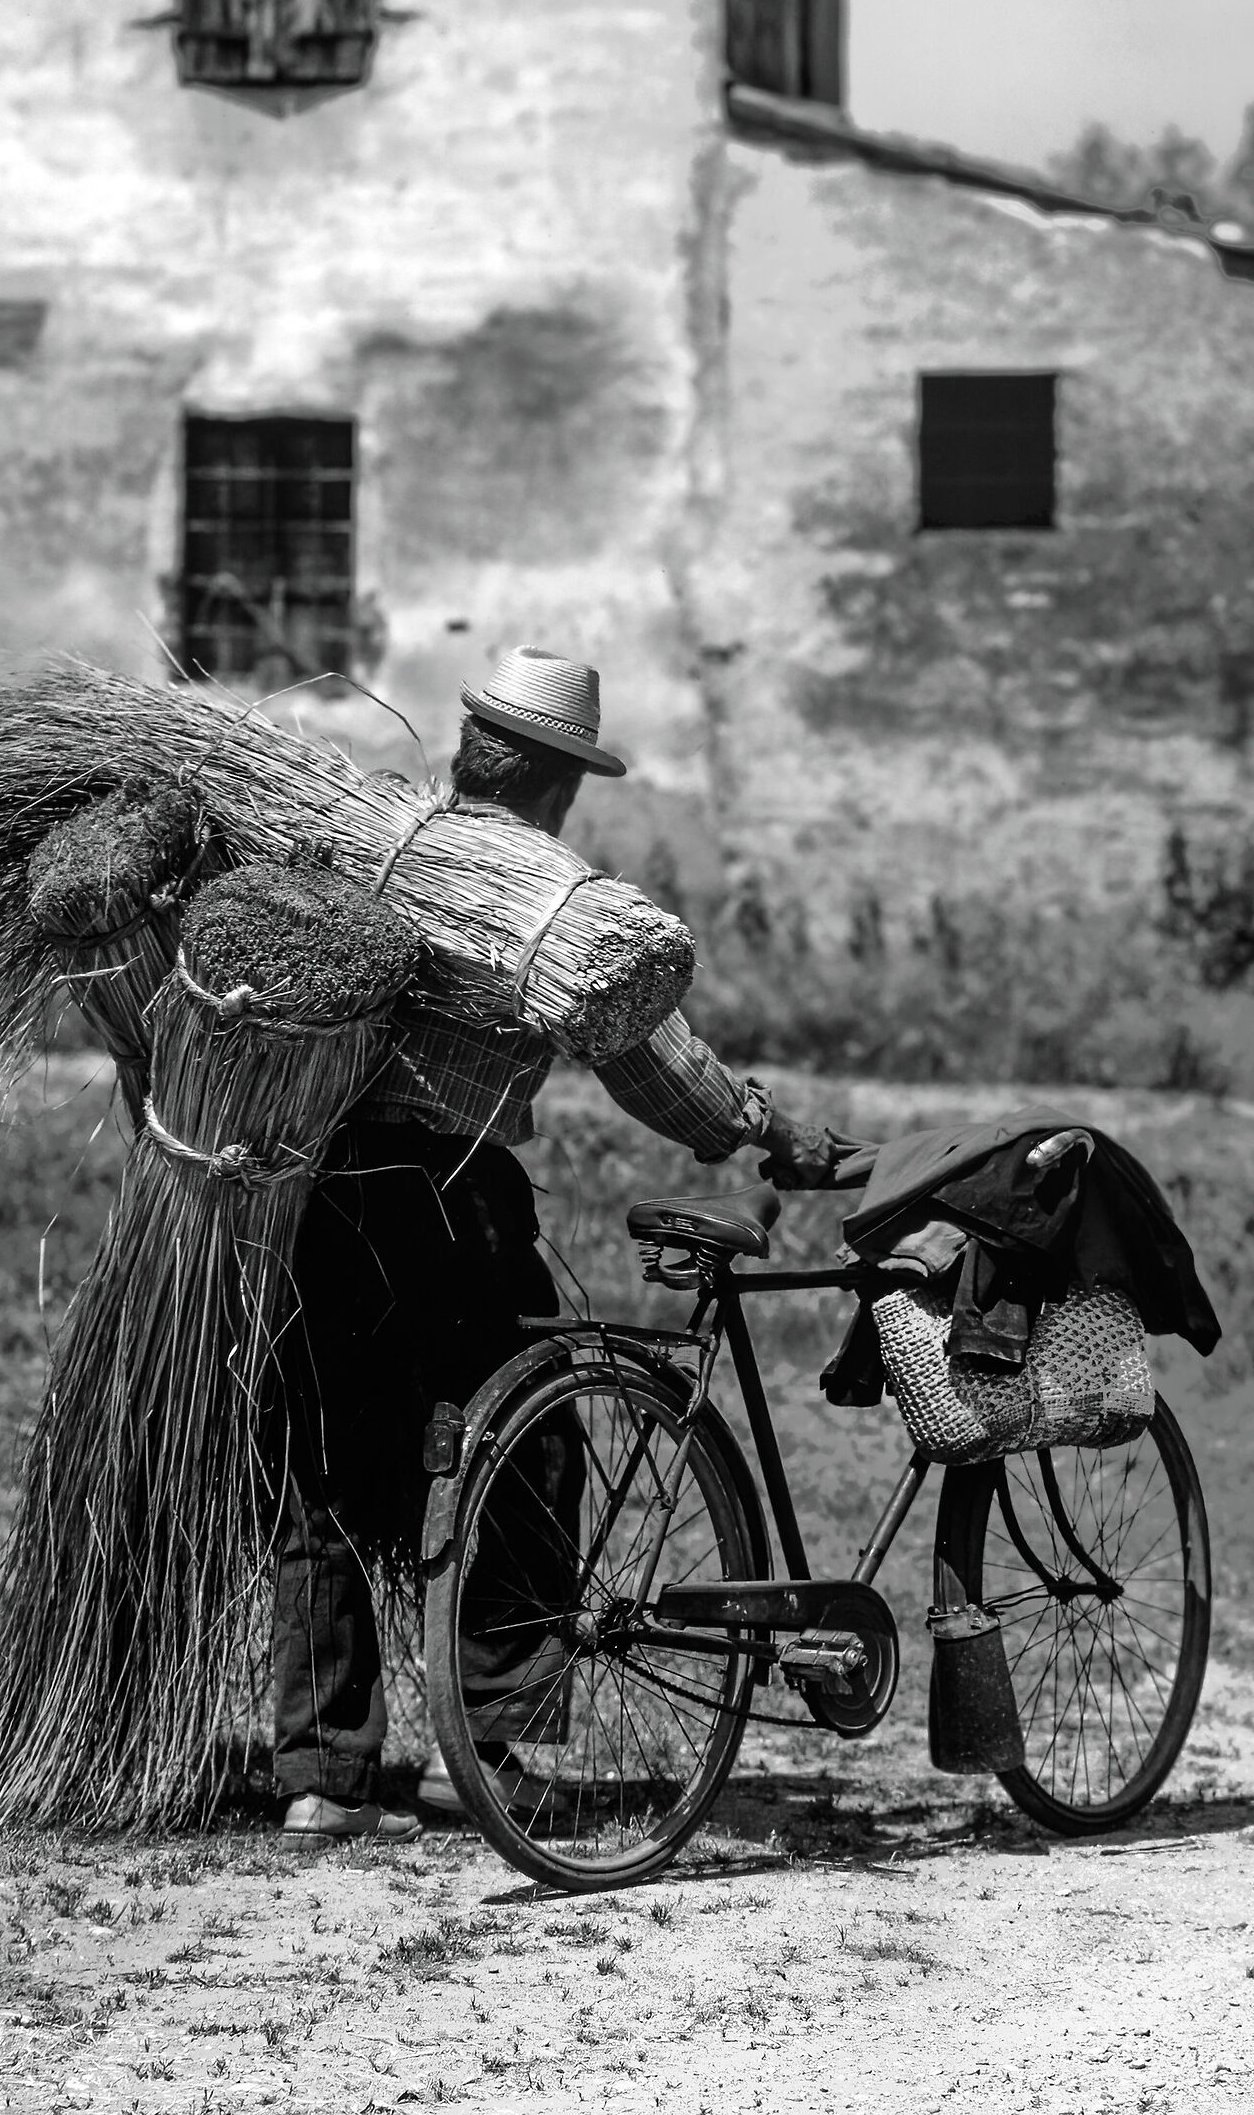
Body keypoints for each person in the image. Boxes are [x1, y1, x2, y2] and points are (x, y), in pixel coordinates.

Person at [273, 645, 834, 1842]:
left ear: (474, 748)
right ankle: (494, 1739)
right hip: (449, 1193)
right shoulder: (550, 901)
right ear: (559, 781)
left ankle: (324, 1776)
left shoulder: (380, 835)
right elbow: (647, 1058)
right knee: (529, 1455)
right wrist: (760, 1126)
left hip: (318, 1193)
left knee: (326, 1467)